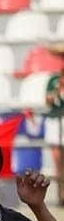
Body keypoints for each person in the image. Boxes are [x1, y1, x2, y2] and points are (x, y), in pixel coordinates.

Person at [46, 58, 63, 206]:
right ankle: (60, 195)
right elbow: (48, 101)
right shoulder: (54, 80)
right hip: (55, 120)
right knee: (58, 163)